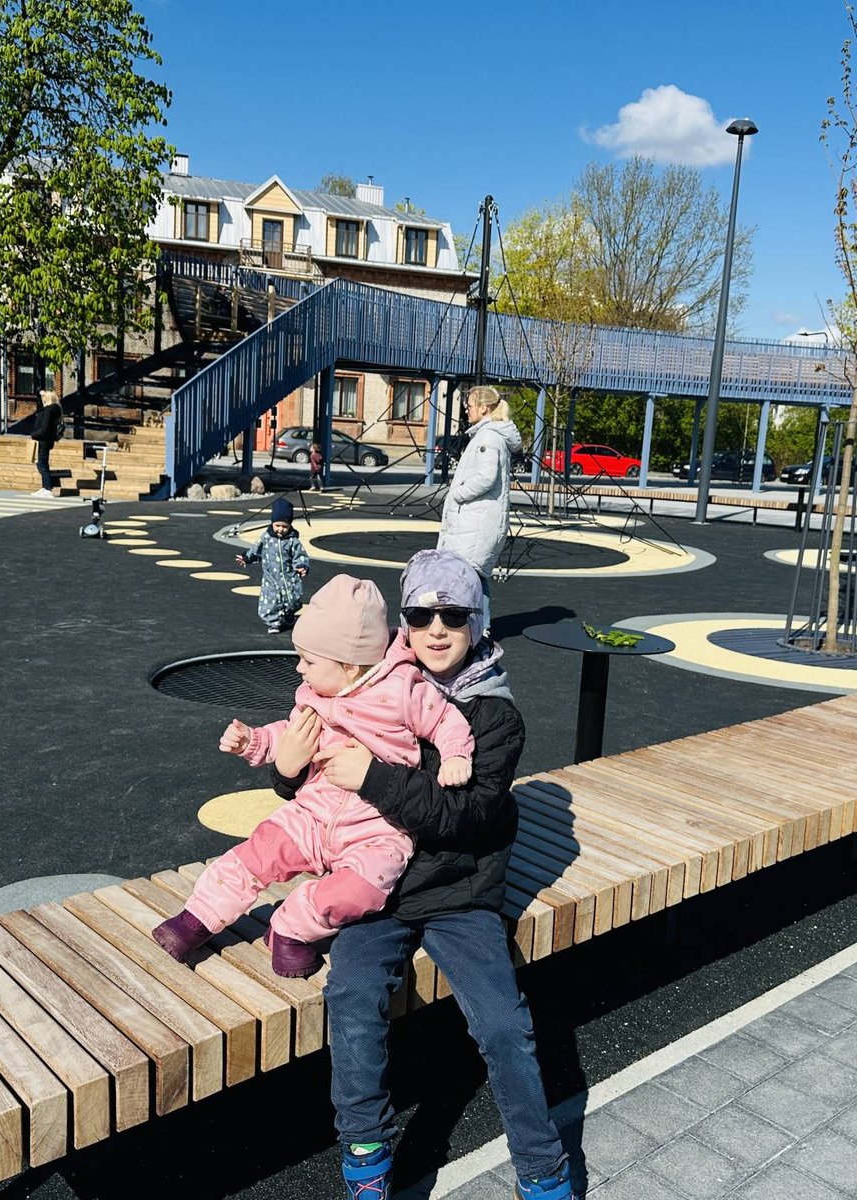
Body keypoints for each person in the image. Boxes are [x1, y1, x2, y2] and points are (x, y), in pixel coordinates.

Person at [283, 549, 575, 1200]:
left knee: (504, 1025)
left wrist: (374, 776)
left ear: (479, 623)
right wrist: (285, 766)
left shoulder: (494, 717)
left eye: (454, 614)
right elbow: (308, 777)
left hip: (460, 889)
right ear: (402, 624)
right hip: (375, 889)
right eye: (421, 613)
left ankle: (543, 1170)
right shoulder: (364, 685)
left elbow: (464, 818)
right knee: (353, 1000)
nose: (437, 628)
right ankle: (366, 1162)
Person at [152, 574, 476, 979]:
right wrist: (253, 742)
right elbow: (290, 735)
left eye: (308, 660)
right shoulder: (313, 696)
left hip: (375, 827)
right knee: (255, 854)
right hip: (311, 813)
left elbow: (446, 720)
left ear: (349, 664)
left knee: (365, 888)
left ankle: (291, 928)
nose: (299, 669)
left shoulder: (403, 691)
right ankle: (196, 918)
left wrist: (455, 755)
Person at [437, 385, 522, 631]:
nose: (467, 411)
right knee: (473, 574)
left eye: (469, 406)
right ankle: (473, 627)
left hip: (476, 520)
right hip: (479, 518)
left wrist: (458, 494)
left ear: (484, 408)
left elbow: (486, 477)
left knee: (472, 575)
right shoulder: (489, 435)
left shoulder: (488, 437)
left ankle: (479, 630)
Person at [236, 497, 311, 633]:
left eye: (285, 526)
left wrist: (302, 566)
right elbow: (256, 549)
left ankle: (289, 614)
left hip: (289, 577)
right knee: (270, 601)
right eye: (278, 525)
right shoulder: (266, 538)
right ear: (272, 523)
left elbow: (300, 555)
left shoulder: (293, 541)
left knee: (292, 600)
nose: (281, 529)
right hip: (271, 578)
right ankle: (274, 622)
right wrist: (246, 558)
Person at [30, 389, 64, 497]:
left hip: (43, 439)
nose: (42, 399)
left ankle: (48, 488)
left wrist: (34, 434)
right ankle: (45, 487)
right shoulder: (54, 410)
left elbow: (45, 427)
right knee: (41, 463)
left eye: (44, 397)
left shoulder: (48, 411)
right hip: (46, 439)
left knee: (42, 464)